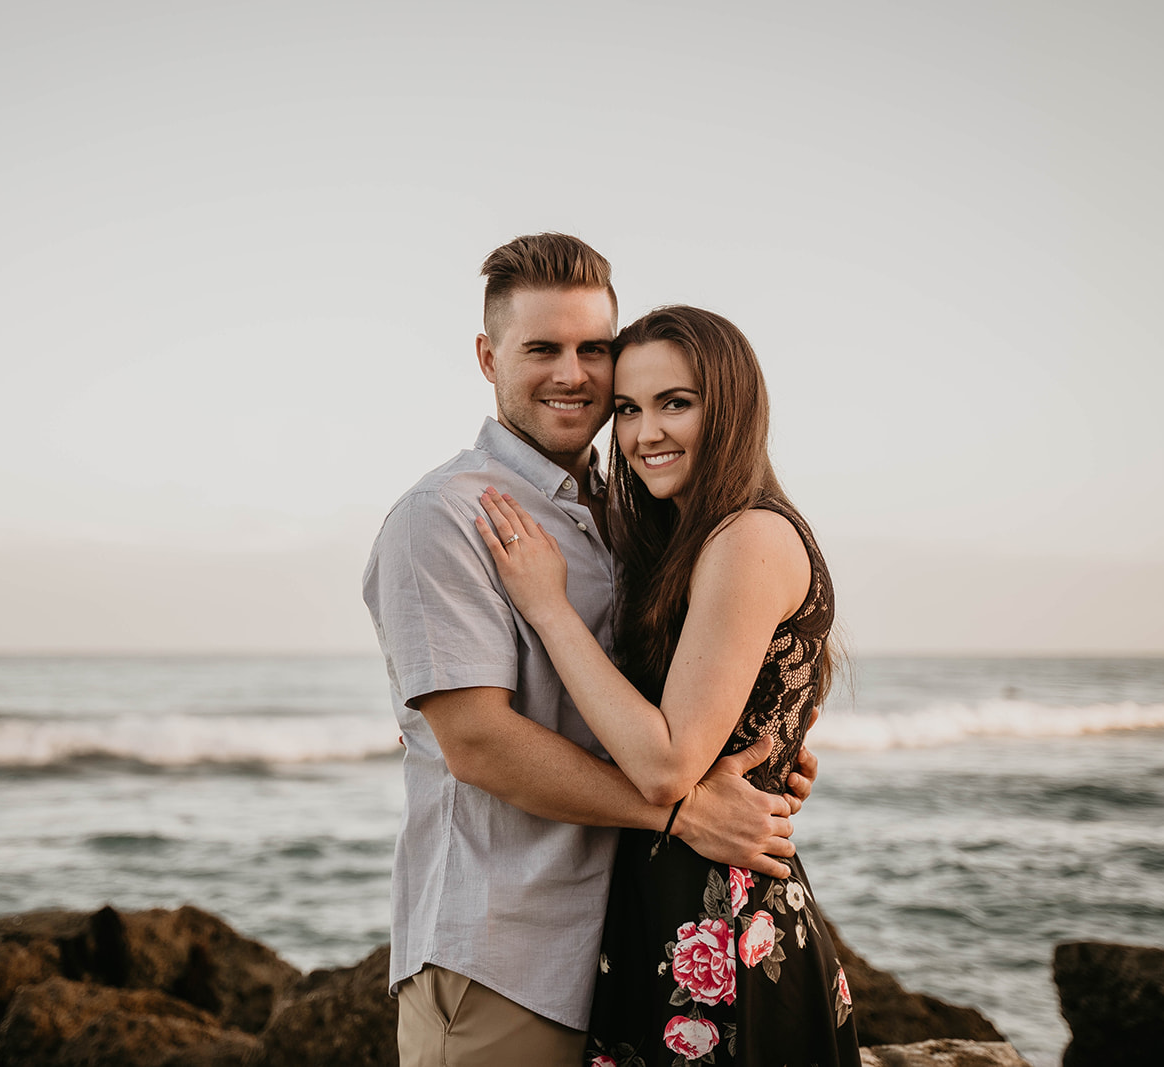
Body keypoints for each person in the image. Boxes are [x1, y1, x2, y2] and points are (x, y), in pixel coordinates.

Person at [362, 235, 819, 1067]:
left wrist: (763, 748)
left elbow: (668, 691)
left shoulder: (629, 517)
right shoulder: (447, 516)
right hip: (504, 953)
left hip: (627, 945)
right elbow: (476, 742)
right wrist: (681, 809)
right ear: (487, 356)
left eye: (593, 349)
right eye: (542, 348)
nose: (572, 374)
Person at [473, 305, 859, 1066]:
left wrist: (548, 608)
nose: (645, 432)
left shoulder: (747, 537)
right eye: (627, 409)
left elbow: (665, 764)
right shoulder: (683, 542)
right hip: (667, 914)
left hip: (722, 925)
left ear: (732, 409)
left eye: (675, 403)